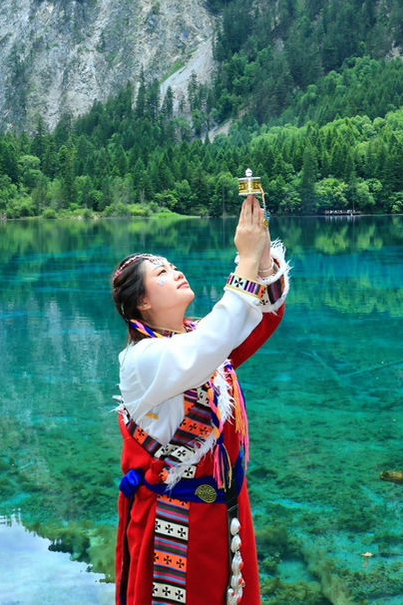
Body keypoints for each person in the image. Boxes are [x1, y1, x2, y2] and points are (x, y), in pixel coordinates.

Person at [111, 194, 289, 605]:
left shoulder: (195, 337)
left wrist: (260, 258)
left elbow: (256, 314)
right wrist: (243, 261)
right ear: (142, 302)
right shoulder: (142, 359)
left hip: (222, 511)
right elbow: (214, 341)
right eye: (161, 272)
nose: (175, 272)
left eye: (173, 266)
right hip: (177, 523)